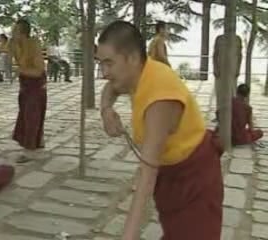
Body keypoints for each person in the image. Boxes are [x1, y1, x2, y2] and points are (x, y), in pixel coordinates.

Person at [97, 21, 223, 240]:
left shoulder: (160, 100)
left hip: (194, 180)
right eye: (101, 64)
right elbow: (111, 88)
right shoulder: (139, 72)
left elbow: (147, 174)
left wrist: (128, 235)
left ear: (133, 58)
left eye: (109, 64)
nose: (104, 73)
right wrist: (106, 110)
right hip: (171, 178)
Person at [10, 19, 47, 163]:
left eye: (15, 30)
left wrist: (20, 70)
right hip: (25, 84)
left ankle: (29, 151)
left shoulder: (33, 45)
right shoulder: (17, 45)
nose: (13, 33)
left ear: (22, 32)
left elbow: (39, 71)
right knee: (26, 114)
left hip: (36, 84)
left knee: (32, 115)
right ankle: (37, 142)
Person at [213, 34, 242, 109]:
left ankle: (232, 111)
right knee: (219, 91)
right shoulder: (219, 39)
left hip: (232, 69)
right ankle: (219, 112)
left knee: (232, 91)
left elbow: (240, 55)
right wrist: (215, 68)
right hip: (221, 69)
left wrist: (238, 69)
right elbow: (215, 54)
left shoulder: (237, 39)